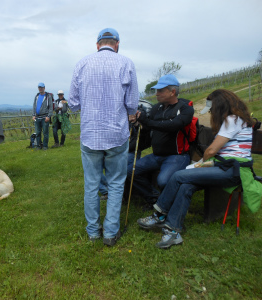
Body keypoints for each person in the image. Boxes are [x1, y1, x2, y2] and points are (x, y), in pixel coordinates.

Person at [137, 89, 262, 248]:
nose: (210, 112)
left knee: (178, 176)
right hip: (224, 167)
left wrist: (197, 165)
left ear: (219, 106)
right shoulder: (237, 119)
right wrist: (197, 165)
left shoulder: (233, 120)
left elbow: (211, 151)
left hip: (233, 171)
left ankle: (159, 214)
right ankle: (173, 231)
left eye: (211, 109)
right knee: (186, 185)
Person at [69, 28, 139, 246]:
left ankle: (92, 232)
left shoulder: (82, 64)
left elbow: (73, 102)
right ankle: (110, 233)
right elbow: (132, 104)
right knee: (116, 182)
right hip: (116, 133)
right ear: (117, 44)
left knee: (91, 183)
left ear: (97, 44)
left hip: (90, 134)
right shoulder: (126, 63)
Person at [128, 74, 194, 210]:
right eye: (156, 90)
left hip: (177, 156)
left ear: (172, 92)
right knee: (129, 171)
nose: (156, 94)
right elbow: (147, 127)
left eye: (160, 90)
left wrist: (148, 122)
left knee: (163, 180)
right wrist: (137, 123)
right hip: (157, 155)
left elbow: (174, 125)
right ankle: (154, 198)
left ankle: (166, 203)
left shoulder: (185, 108)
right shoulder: (156, 108)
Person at [32, 82, 53, 150]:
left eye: (41, 87)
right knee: (38, 133)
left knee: (45, 133)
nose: (40, 88)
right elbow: (34, 106)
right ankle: (38, 146)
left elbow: (50, 107)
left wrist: (49, 116)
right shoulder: (36, 96)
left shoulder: (48, 96)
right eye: (39, 87)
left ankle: (45, 146)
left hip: (45, 117)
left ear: (44, 88)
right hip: (37, 117)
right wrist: (33, 115)